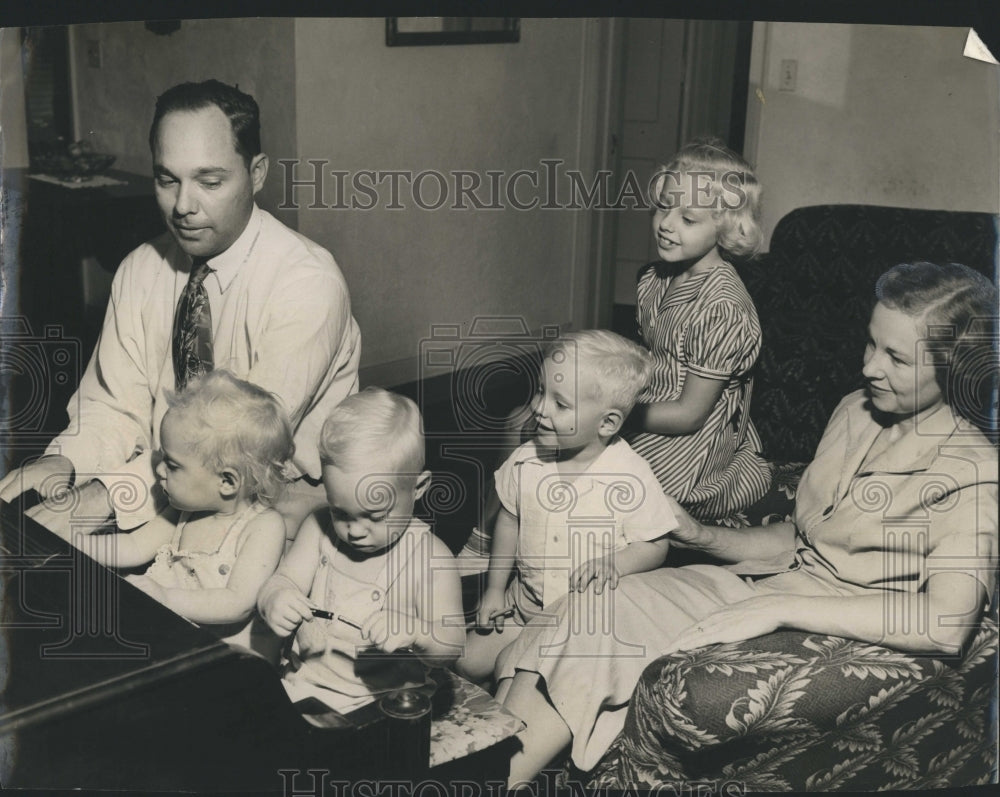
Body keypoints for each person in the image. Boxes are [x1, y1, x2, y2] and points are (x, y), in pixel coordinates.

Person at [495, 261, 998, 787]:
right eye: (871, 344)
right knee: (594, 606)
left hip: (836, 627)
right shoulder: (855, 409)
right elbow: (803, 538)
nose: (870, 367)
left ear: (954, 367)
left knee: (608, 644)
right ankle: (485, 768)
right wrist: (702, 536)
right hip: (768, 582)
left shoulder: (973, 473)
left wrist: (779, 608)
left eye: (896, 357)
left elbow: (947, 622)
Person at [0, 79, 361, 538]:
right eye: (167, 180)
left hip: (280, 511)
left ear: (257, 173)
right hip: (160, 490)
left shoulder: (308, 282)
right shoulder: (140, 270)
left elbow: (242, 447)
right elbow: (113, 405)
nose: (183, 207)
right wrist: (66, 460)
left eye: (209, 181)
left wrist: (109, 495)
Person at [455, 330, 677, 683]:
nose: (539, 408)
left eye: (560, 404)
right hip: (525, 606)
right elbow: (509, 522)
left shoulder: (630, 474)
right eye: (541, 392)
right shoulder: (526, 460)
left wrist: (613, 563)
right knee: (465, 664)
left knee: (512, 673)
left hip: (585, 624)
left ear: (607, 423)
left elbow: (656, 544)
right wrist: (496, 589)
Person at [257, 388, 465, 713]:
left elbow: (452, 645)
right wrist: (275, 596)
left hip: (387, 705)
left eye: (375, 516)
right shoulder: (318, 528)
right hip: (301, 687)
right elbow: (285, 578)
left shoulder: (430, 558)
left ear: (419, 488)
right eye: (341, 512)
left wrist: (419, 633)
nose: (354, 531)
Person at [52, 370, 292, 649]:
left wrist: (166, 597)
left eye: (173, 465)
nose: (158, 469)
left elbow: (236, 602)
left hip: (218, 655)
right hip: (166, 632)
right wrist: (72, 544)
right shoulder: (186, 511)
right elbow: (133, 545)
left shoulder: (264, 526)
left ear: (227, 481)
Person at [624, 137, 771, 522]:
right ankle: (487, 543)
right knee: (533, 428)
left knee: (613, 491)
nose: (667, 225)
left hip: (693, 445)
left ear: (725, 229)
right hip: (647, 409)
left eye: (688, 219)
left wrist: (614, 411)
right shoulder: (653, 279)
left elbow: (690, 415)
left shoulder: (723, 307)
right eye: (663, 208)